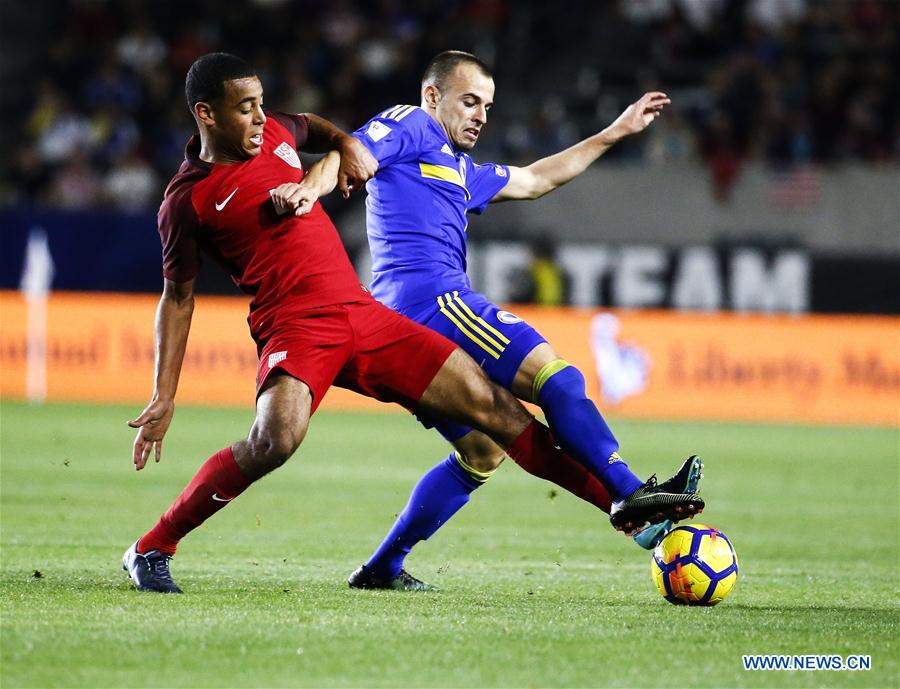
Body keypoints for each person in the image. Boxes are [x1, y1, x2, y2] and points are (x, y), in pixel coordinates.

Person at [122, 52, 700, 594]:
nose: (259, 116)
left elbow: (326, 134)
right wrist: (164, 396)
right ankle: (152, 547)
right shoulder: (187, 201)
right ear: (206, 114)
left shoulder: (281, 132)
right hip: (300, 322)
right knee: (276, 441)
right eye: (245, 107)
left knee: (494, 424)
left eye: (260, 103)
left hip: (365, 314)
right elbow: (178, 299)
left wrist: (614, 131)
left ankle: (630, 510)